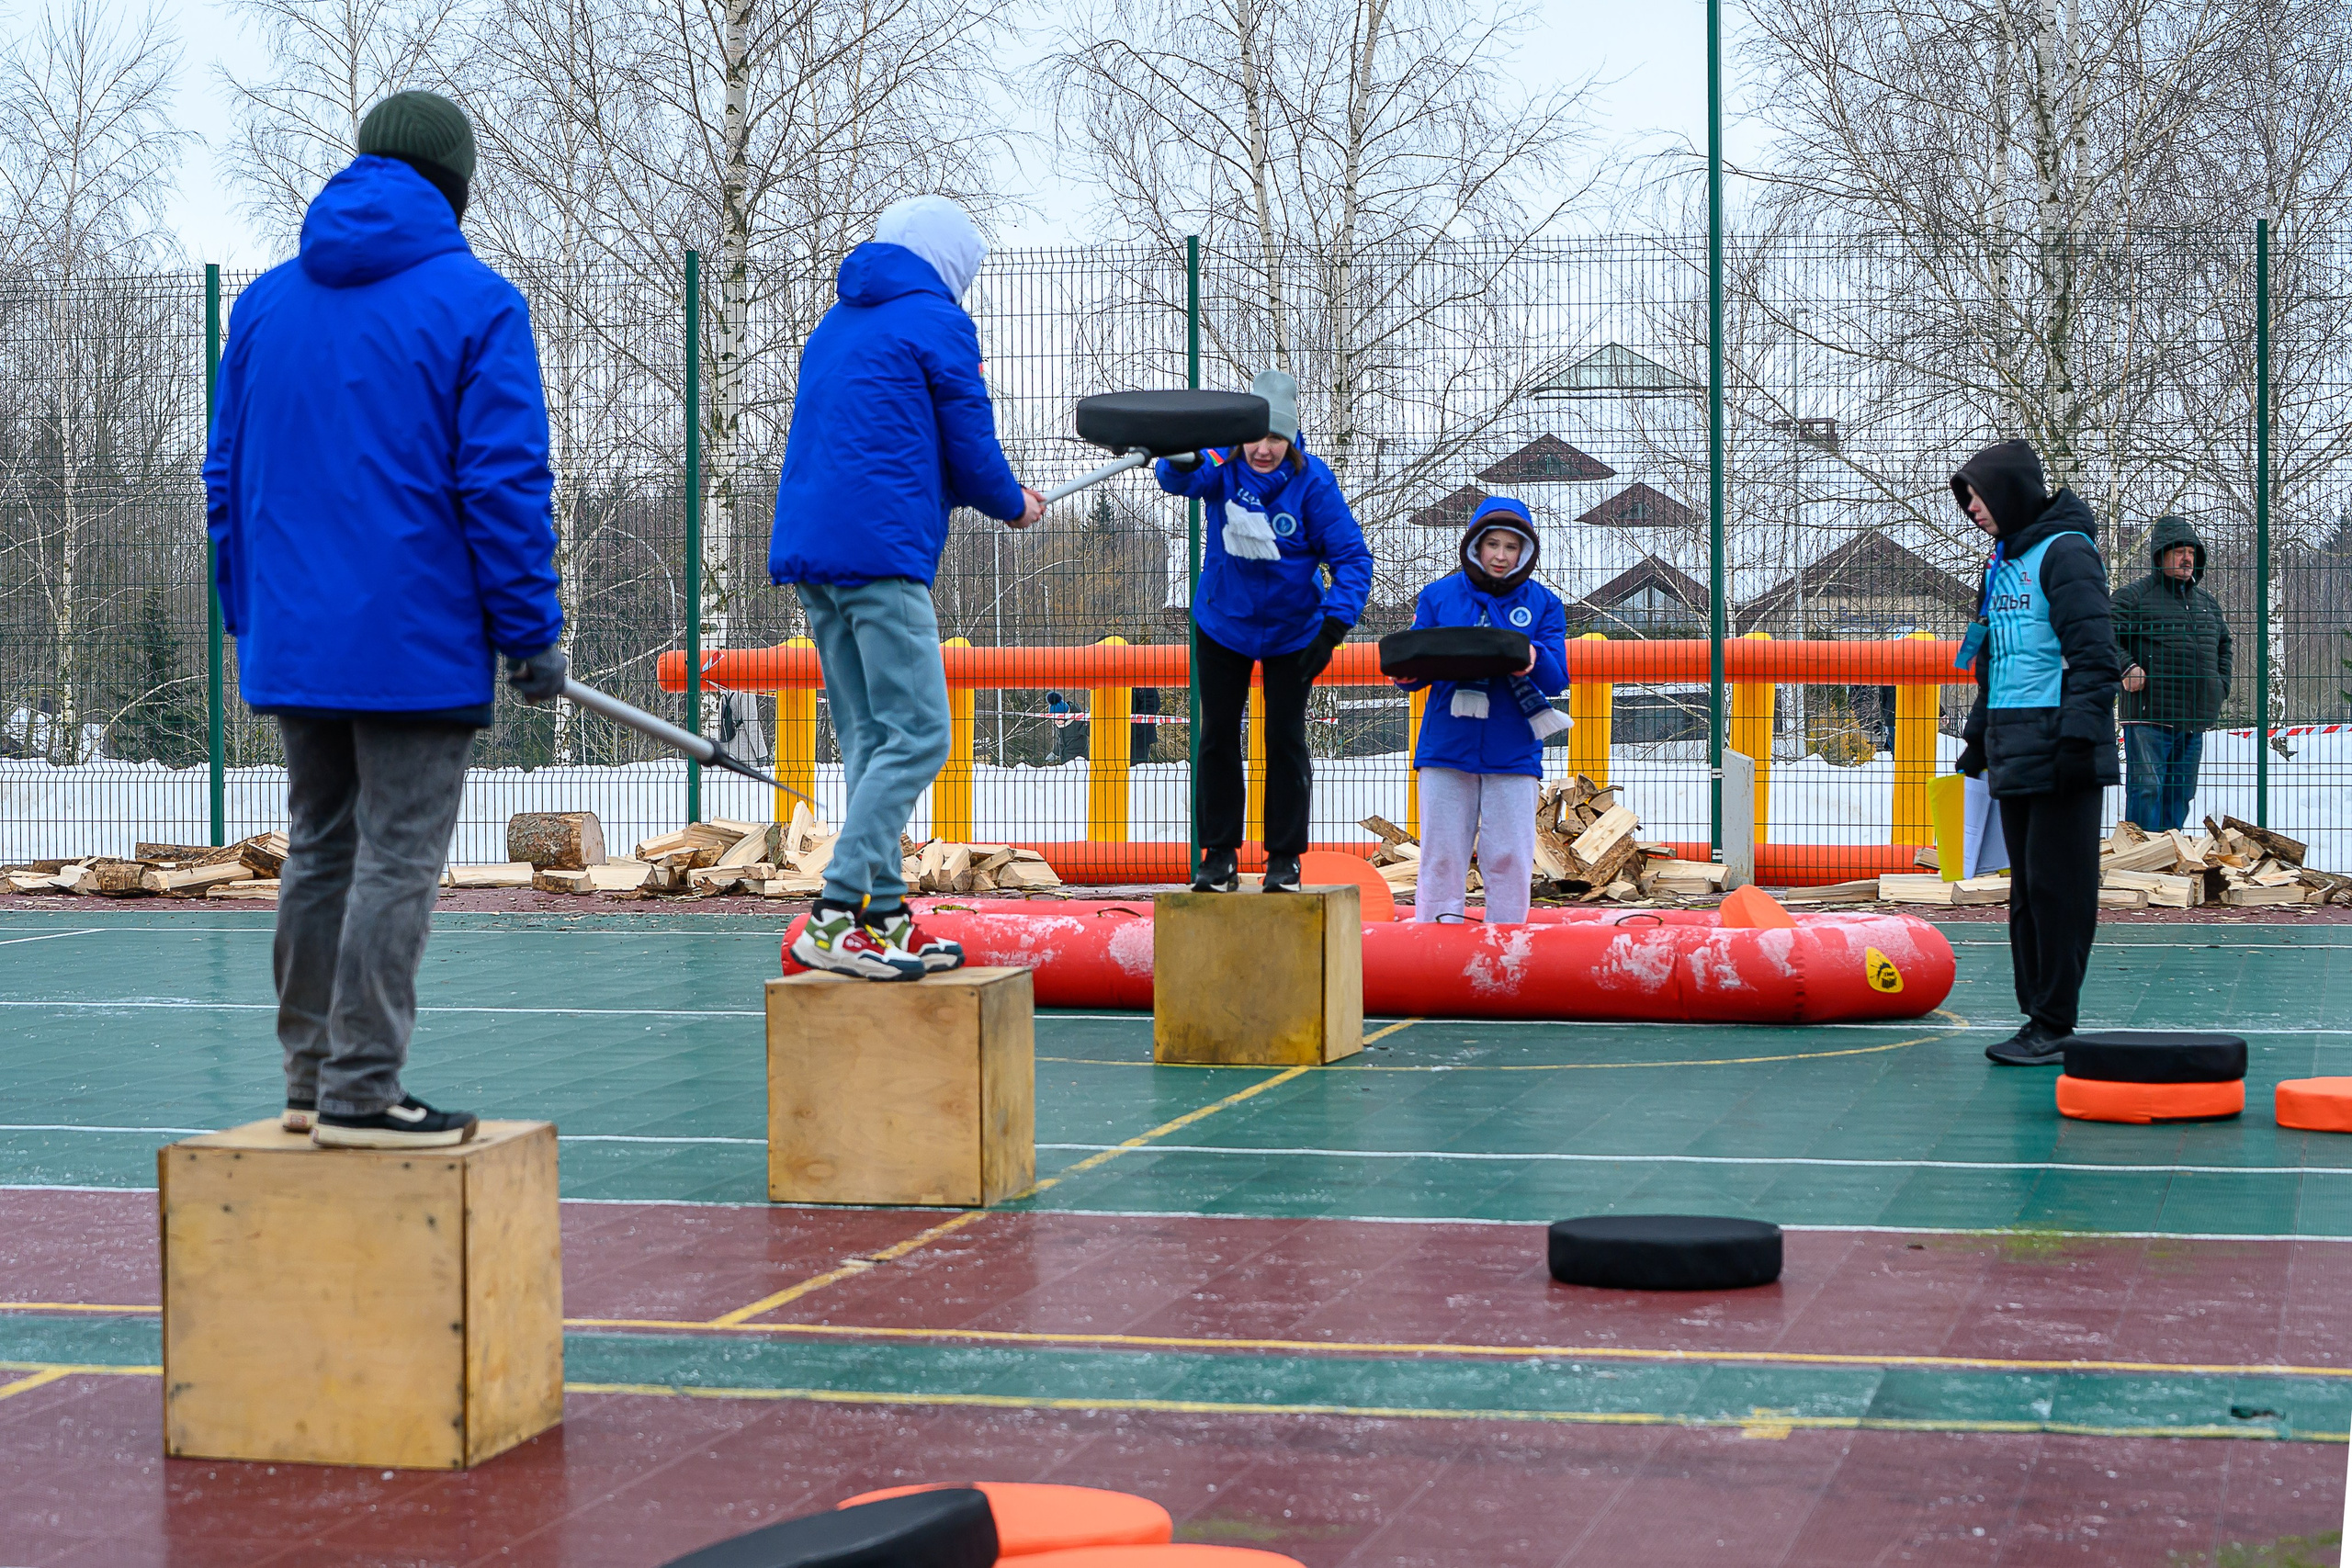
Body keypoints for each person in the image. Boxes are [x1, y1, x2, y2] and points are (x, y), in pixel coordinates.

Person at [205, 91, 566, 1149]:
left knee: (322, 850)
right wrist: (528, 630)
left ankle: (312, 1082)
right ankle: (364, 1089)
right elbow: (501, 483)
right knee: (397, 858)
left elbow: (224, 477)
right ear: (456, 185)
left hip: (295, 635)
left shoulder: (264, 306)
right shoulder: (478, 302)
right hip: (416, 642)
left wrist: (247, 615)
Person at [770, 195, 1045, 979]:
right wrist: (1013, 502)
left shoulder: (836, 323)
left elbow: (886, 444)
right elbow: (971, 445)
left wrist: (965, 487)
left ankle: (882, 916)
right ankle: (832, 916)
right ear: (952, 265)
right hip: (881, 556)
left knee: (866, 739)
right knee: (922, 733)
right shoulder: (938, 323)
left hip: (815, 556)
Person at [1158, 369, 1373, 892]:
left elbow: (1352, 559)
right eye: (1256, 435)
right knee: (1217, 738)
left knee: (1284, 739)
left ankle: (1283, 858)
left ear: (1292, 437)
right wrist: (1179, 455)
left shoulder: (1313, 483)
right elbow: (1178, 478)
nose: (1264, 448)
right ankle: (1219, 853)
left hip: (1292, 631)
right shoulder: (1223, 464)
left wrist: (1331, 630)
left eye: (1276, 437)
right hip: (1222, 623)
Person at [1951, 439, 2121, 1066]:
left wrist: (2080, 736)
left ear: (2011, 490)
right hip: (2016, 747)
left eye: (1977, 495)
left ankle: (2055, 1021)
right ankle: (2037, 1019)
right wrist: (1977, 742)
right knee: (2027, 890)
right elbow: (1994, 661)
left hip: (2063, 750)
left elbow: (2095, 652)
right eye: (1966, 499)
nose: (1972, 509)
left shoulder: (2066, 552)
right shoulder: (2002, 564)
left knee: (2060, 889)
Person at [1393, 498, 1569, 924]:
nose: (1501, 555)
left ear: (1525, 553)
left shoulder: (1544, 604)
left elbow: (1555, 677)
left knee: (1509, 854)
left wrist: (1531, 654)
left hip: (1513, 748)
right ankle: (1436, 943)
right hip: (1446, 745)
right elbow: (1416, 667)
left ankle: (1506, 945)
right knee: (1441, 855)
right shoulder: (1438, 596)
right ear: (1475, 546)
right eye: (1492, 544)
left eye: (1512, 547)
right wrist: (1404, 669)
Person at [2112, 516, 2232, 831]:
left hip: (2194, 719)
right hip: (2149, 716)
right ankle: (2143, 862)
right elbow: (2102, 634)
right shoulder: (2134, 597)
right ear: (2160, 555)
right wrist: (2126, 666)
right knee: (2148, 789)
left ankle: (2170, 858)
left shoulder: (2207, 604)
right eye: (2178, 551)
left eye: (2192, 551)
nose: (2187, 558)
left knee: (2181, 795)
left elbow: (2224, 645)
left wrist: (2221, 686)